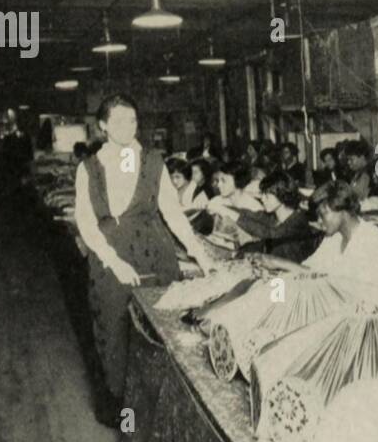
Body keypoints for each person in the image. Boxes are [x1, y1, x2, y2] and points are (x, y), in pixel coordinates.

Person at [75, 94, 215, 423]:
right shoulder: (88, 168)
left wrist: (198, 252)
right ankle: (123, 413)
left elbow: (172, 212)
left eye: (133, 120)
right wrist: (114, 261)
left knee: (163, 333)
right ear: (103, 125)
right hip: (111, 258)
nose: (128, 127)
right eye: (120, 121)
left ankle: (163, 413)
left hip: (156, 255)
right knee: (114, 333)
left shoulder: (153, 161)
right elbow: (86, 222)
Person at [213, 171, 316, 264]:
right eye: (262, 194)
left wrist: (229, 213)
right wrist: (226, 208)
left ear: (282, 194)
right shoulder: (276, 216)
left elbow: (270, 233)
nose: (262, 199)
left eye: (267, 195)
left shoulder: (298, 220)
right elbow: (251, 214)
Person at [303, 182, 378, 280]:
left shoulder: (370, 238)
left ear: (340, 208)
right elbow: (309, 268)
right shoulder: (334, 237)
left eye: (322, 215)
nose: (319, 221)